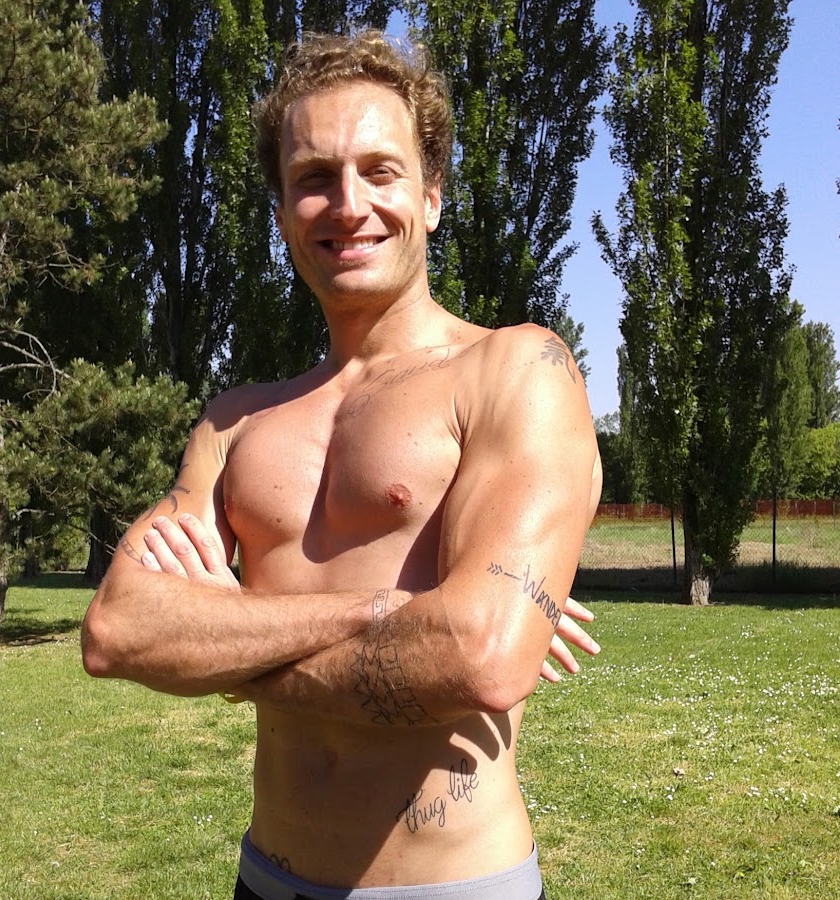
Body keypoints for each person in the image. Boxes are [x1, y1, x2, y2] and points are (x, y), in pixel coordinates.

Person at [81, 30, 602, 900]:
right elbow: (118, 630)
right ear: (283, 213)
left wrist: (224, 643)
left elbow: (480, 656)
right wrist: (388, 611)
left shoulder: (516, 372)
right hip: (265, 879)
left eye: (380, 171)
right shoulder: (235, 421)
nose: (348, 204)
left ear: (431, 197)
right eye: (314, 177)